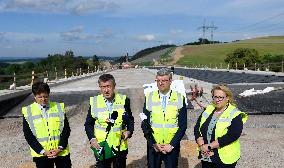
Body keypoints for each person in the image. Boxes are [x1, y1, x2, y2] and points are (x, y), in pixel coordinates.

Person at [85, 74, 134, 168]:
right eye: (103, 87)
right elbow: (88, 124)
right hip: (102, 146)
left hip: (120, 145)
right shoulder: (94, 102)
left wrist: (129, 131)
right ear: (100, 87)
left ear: (114, 86)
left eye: (108, 86)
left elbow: (130, 119)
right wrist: (92, 138)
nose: (106, 90)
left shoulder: (124, 100)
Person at [141, 68, 187, 168]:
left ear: (170, 81)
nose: (161, 83)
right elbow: (145, 123)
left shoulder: (180, 98)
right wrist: (153, 143)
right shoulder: (149, 97)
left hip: (171, 147)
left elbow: (183, 125)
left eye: (164, 80)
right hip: (154, 146)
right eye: (158, 80)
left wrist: (172, 145)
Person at [194, 84, 248, 168]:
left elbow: (232, 135)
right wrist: (202, 146)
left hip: (224, 158)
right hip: (206, 155)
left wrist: (209, 146)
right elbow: (197, 127)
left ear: (227, 98)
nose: (217, 100)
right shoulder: (209, 109)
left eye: (220, 97)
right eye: (215, 97)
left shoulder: (234, 114)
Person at [22, 81, 72, 168]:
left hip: (61, 151)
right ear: (34, 97)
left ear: (48, 94)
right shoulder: (28, 111)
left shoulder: (58, 107)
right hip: (42, 154)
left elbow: (66, 129)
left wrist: (60, 148)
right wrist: (42, 151)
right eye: (40, 97)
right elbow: (28, 135)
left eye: (45, 96)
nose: (43, 99)